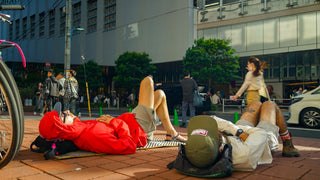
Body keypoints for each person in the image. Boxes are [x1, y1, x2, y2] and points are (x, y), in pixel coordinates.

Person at [38, 76, 187, 157]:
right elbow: (128, 146)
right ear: (63, 127)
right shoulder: (90, 136)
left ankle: (171, 134)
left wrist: (113, 122)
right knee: (147, 82)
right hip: (137, 128)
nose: (67, 111)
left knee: (160, 95)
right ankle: (170, 133)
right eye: (64, 115)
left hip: (132, 121)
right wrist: (114, 121)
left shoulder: (80, 128)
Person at [181, 100, 300, 172]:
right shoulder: (244, 156)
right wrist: (239, 132)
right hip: (261, 140)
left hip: (235, 135)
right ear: (219, 148)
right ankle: (287, 143)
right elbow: (260, 134)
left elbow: (212, 119)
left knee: (255, 104)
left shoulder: (200, 150)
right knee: (270, 105)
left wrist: (236, 131)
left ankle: (246, 123)